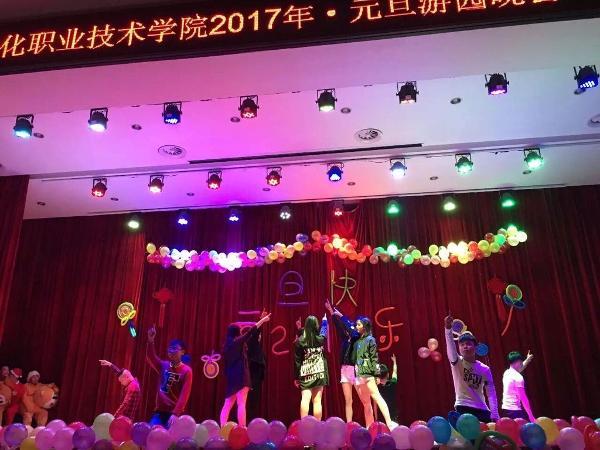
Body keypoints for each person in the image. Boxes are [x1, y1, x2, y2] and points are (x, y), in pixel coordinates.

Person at [444, 314, 499, 422]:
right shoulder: (457, 362)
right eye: (462, 344)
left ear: (475, 347)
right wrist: (447, 329)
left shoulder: (485, 369)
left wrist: (495, 414)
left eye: (468, 344)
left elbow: (491, 393)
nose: (465, 346)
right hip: (463, 407)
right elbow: (450, 346)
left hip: (482, 409)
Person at [220, 312, 272, 427]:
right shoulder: (237, 342)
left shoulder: (226, 346)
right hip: (242, 376)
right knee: (241, 403)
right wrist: (263, 320)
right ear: (237, 333)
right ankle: (242, 428)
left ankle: (222, 428)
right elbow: (251, 331)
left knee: (227, 404)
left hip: (231, 378)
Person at [146, 326, 193, 428]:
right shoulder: (164, 365)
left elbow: (184, 395)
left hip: (174, 414)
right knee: (151, 432)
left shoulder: (186, 371)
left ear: (182, 352)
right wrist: (151, 341)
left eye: (175, 348)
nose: (171, 351)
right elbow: (150, 357)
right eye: (170, 348)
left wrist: (175, 413)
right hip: (159, 412)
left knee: (171, 437)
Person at [353, 316, 394, 428]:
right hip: (360, 374)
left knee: (377, 397)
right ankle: (369, 427)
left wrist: (376, 375)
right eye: (356, 325)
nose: (357, 327)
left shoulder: (370, 339)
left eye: (359, 325)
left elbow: (374, 357)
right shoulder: (359, 341)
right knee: (366, 403)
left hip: (368, 374)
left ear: (365, 326)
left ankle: (389, 422)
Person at [326, 301, 361, 423]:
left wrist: (341, 316)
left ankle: (369, 424)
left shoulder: (357, 337)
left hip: (355, 369)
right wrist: (331, 312)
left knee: (363, 399)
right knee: (348, 400)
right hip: (345, 370)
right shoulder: (346, 339)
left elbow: (350, 329)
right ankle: (349, 424)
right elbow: (339, 327)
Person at [295, 314, 329, 420]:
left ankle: (304, 424)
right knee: (317, 401)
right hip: (319, 372)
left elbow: (297, 361)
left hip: (306, 373)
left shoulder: (300, 341)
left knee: (305, 399)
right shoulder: (320, 339)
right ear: (316, 326)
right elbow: (324, 331)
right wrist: (324, 321)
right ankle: (317, 425)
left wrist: (296, 377)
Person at [501, 351, 535, 421]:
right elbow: (523, 398)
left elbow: (520, 368)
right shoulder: (518, 377)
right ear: (517, 362)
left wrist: (528, 359)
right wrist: (531, 416)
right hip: (514, 411)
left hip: (505, 409)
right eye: (520, 361)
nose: (522, 362)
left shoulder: (507, 372)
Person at [246, 312, 267, 421]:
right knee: (251, 399)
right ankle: (249, 421)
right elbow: (255, 331)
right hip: (253, 374)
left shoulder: (257, 346)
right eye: (259, 334)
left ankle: (253, 420)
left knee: (255, 399)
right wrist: (261, 320)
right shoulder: (252, 343)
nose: (260, 336)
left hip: (257, 376)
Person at [374, 355, 399, 423]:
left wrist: (376, 418)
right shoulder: (392, 383)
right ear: (388, 374)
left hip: (382, 416)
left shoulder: (376, 388)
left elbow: (375, 405)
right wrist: (394, 362)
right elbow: (395, 371)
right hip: (393, 414)